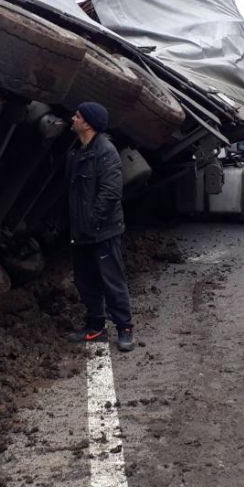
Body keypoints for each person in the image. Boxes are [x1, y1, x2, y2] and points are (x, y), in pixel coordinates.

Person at [66, 101, 134, 352]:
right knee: (85, 280)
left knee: (112, 280)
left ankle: (125, 329)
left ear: (88, 123)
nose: (73, 119)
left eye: (77, 116)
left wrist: (92, 222)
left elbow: (110, 192)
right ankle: (95, 327)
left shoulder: (105, 152)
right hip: (81, 231)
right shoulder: (78, 152)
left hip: (103, 231)